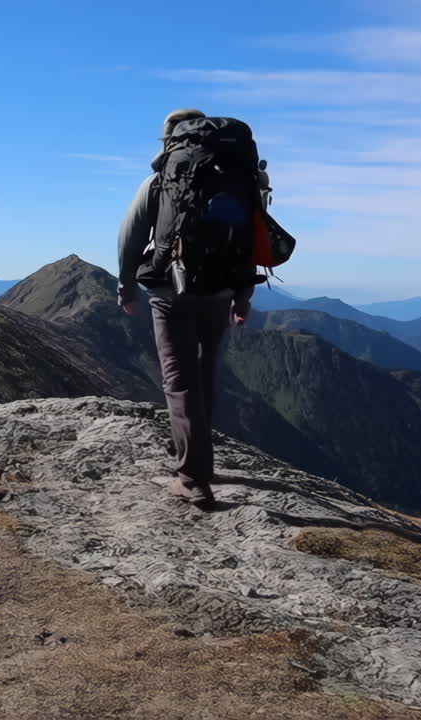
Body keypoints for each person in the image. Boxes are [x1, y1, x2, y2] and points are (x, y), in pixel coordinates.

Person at [116, 108, 258, 509]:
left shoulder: (161, 181)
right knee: (204, 374)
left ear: (169, 140)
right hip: (220, 291)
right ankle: (197, 460)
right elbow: (248, 240)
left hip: (169, 291)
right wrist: (242, 296)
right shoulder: (239, 179)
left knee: (179, 381)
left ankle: (193, 477)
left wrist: (126, 287)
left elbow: (129, 238)